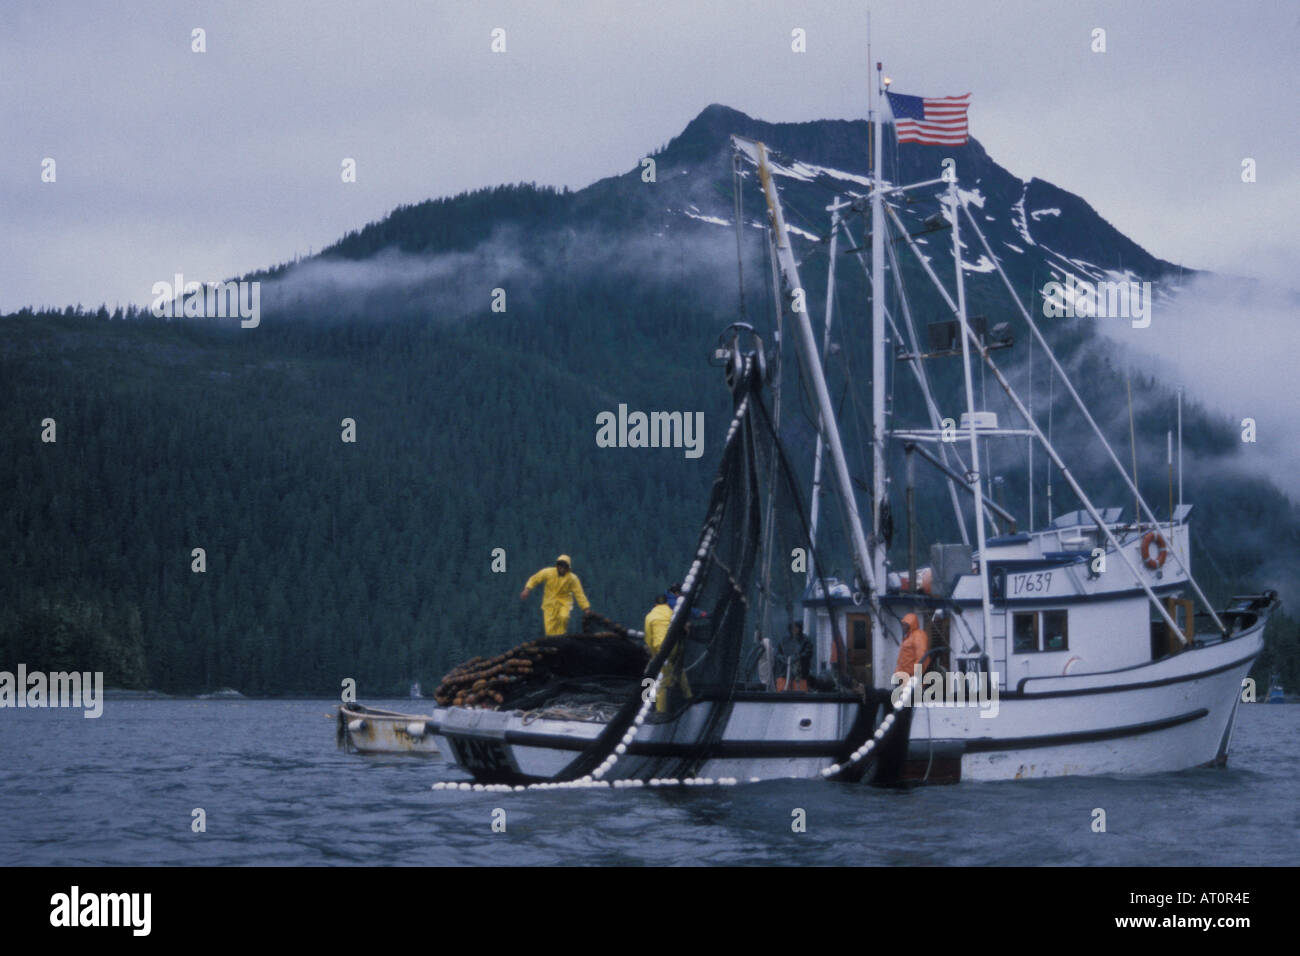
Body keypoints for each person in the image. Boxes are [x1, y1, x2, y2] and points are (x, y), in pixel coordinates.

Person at [520, 554, 592, 637]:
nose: (562, 568)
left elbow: (579, 594)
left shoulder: (573, 579)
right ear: (557, 566)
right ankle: (552, 643)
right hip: (549, 604)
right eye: (560, 566)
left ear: (568, 568)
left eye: (564, 567)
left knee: (564, 617)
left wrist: (586, 608)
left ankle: (561, 637)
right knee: (549, 628)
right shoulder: (548, 572)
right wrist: (527, 589)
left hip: (564, 602)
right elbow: (535, 579)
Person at [644, 593, 690, 713]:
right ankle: (688, 695)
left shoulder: (650, 616)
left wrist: (653, 654)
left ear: (655, 604)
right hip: (674, 648)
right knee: (677, 670)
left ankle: (659, 710)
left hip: (660, 650)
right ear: (665, 603)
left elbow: (649, 638)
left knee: (656, 677)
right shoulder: (672, 614)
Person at [893, 612, 930, 687]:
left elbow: (921, 656)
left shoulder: (918, 635)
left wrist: (915, 675)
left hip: (911, 678)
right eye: (902, 625)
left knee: (911, 698)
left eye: (905, 625)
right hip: (904, 677)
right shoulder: (909, 637)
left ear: (911, 625)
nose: (903, 627)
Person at [775, 621, 814, 690]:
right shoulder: (784, 640)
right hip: (784, 674)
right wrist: (782, 659)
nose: (794, 629)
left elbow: (808, 653)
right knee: (781, 696)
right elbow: (777, 653)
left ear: (800, 628)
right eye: (792, 627)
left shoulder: (806, 640)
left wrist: (797, 658)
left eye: (796, 627)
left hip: (800, 675)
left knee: (800, 697)